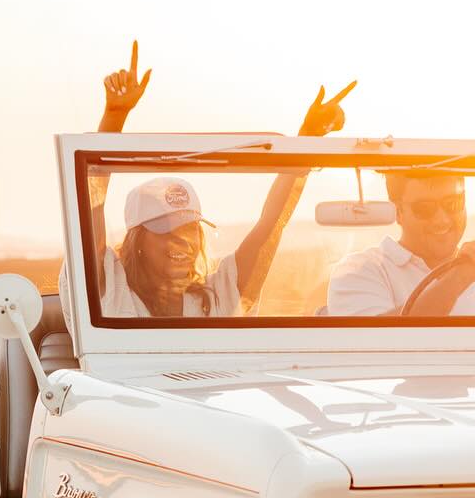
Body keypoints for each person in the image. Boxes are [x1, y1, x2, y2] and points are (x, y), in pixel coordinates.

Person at [72, 42, 355, 320]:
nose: (183, 240)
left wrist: (307, 140)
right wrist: (115, 115)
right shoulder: (110, 291)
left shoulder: (217, 298)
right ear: (138, 240)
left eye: (190, 228)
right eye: (166, 230)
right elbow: (90, 204)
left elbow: (270, 226)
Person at [327, 170, 475, 316]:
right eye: (424, 209)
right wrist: (459, 278)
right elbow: (378, 342)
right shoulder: (359, 271)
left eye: (452, 204)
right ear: (398, 212)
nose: (441, 220)